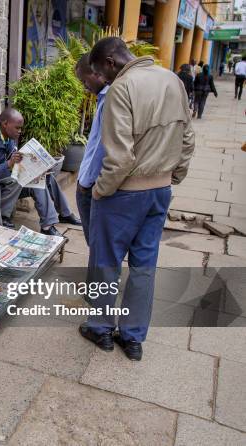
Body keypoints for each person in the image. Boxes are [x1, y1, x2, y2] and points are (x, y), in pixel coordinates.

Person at [80, 37, 195, 361]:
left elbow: (120, 156)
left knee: (106, 263)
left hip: (123, 193)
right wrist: (173, 177)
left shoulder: (122, 88)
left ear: (111, 61)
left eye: (101, 70)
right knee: (144, 266)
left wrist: (101, 190)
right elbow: (187, 138)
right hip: (160, 191)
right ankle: (132, 339)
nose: (102, 77)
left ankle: (100, 329)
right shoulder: (171, 79)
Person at [0, 108, 80, 236]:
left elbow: (8, 161)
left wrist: (39, 167)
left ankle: (51, 222)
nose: (20, 131)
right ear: (5, 123)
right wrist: (9, 164)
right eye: (17, 128)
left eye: (21, 128)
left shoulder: (9, 136)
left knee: (41, 178)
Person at [74, 52, 108, 244]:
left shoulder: (112, 97)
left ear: (97, 74)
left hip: (95, 184)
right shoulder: (103, 97)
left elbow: (101, 147)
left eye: (84, 81)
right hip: (96, 182)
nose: (84, 87)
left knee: (98, 246)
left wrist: (86, 183)